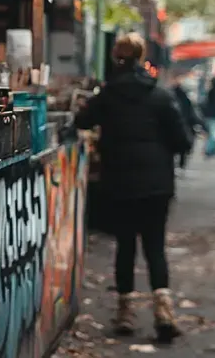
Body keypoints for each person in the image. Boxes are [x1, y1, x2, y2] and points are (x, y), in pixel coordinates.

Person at [76, 33, 191, 342]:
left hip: (120, 182)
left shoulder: (108, 95)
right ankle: (163, 310)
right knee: (155, 246)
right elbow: (183, 141)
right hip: (157, 184)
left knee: (125, 246)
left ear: (116, 57)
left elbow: (80, 121)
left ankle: (125, 312)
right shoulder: (161, 95)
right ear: (142, 58)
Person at [170, 73, 203, 170]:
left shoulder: (169, 96)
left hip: (177, 123)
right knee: (183, 145)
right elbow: (190, 112)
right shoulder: (184, 98)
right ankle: (181, 164)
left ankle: (178, 164)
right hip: (184, 124)